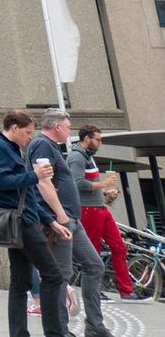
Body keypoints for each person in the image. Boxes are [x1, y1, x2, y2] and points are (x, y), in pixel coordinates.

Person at [0, 109, 71, 337]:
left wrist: (50, 222)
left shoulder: (8, 147)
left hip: (21, 219)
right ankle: (54, 333)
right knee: (53, 275)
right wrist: (35, 175)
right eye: (27, 132)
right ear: (14, 128)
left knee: (20, 282)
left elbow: (27, 195)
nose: (30, 137)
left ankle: (20, 334)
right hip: (20, 221)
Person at [28, 109, 110, 337]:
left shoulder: (52, 147)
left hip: (72, 220)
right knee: (60, 276)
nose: (69, 131)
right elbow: (42, 182)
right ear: (57, 127)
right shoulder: (42, 144)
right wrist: (59, 216)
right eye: (67, 126)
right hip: (60, 220)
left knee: (94, 265)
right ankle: (59, 331)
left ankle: (94, 326)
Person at [72, 124, 146, 301]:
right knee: (93, 251)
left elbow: (87, 185)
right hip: (88, 210)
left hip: (99, 208)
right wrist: (103, 186)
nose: (100, 143)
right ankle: (96, 290)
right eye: (97, 139)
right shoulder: (77, 157)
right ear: (87, 138)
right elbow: (76, 183)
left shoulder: (88, 157)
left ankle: (126, 290)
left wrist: (104, 193)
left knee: (119, 246)